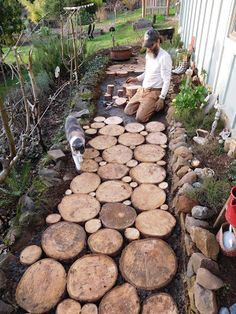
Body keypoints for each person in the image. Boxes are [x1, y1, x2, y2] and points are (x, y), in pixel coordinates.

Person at [124, 28, 172, 122]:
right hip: (143, 90)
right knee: (128, 111)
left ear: (158, 41)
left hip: (154, 92)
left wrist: (161, 98)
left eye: (151, 45)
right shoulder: (149, 54)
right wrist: (136, 79)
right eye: (147, 45)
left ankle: (154, 106)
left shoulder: (164, 57)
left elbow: (167, 80)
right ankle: (146, 105)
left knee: (140, 118)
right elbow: (148, 72)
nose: (149, 48)